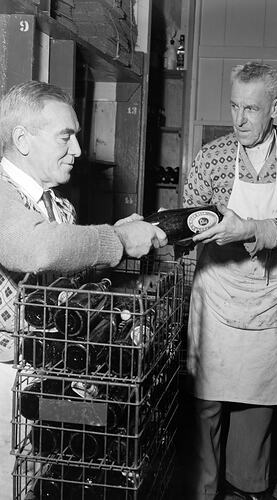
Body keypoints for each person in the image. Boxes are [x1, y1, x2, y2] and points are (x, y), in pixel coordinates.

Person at [0, 80, 167, 497]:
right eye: (65, 136)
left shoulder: (61, 205)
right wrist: (116, 240)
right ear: (22, 139)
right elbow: (35, 248)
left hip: (47, 375)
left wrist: (119, 236)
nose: (77, 149)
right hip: (4, 381)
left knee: (49, 478)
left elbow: (68, 284)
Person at [183, 62, 277, 500]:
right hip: (219, 297)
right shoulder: (211, 157)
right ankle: (204, 491)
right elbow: (188, 219)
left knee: (256, 406)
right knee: (205, 403)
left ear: (275, 107)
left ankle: (248, 488)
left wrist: (252, 230)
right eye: (234, 106)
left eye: (252, 109)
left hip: (270, 297)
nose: (239, 119)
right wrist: (155, 230)